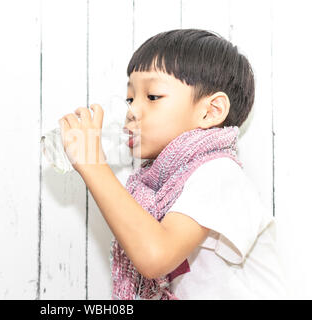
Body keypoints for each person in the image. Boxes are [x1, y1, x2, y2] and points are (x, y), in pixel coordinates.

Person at [58, 28, 288, 300]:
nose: (131, 111)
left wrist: (93, 164)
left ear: (211, 111)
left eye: (152, 97)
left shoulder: (219, 173)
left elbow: (155, 256)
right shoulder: (163, 187)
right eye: (130, 99)